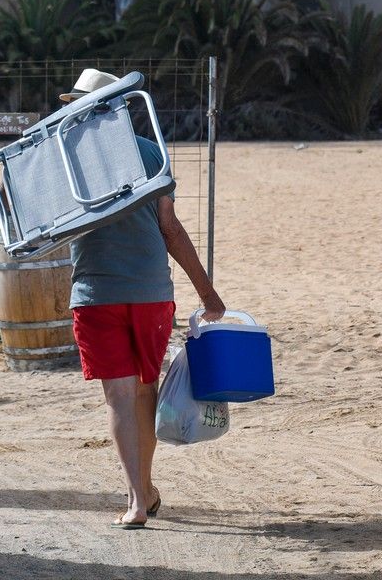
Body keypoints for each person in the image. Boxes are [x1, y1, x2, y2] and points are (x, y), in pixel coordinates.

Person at [61, 69, 226, 529]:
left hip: (95, 292)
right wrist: (208, 294)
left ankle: (138, 498)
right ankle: (144, 489)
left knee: (117, 396)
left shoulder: (64, 155)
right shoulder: (150, 153)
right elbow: (169, 227)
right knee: (141, 390)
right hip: (150, 291)